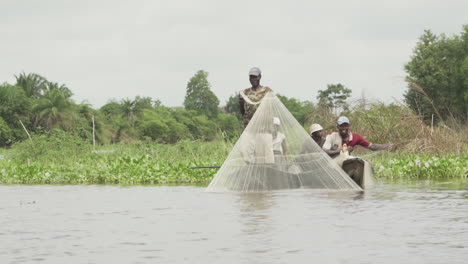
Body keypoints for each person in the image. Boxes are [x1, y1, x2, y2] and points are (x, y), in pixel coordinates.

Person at [322, 116, 394, 158]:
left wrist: (387, 146)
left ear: (349, 126)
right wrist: (342, 151)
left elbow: (372, 147)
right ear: (338, 127)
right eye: (341, 126)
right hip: (332, 160)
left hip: (345, 159)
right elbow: (325, 151)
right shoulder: (332, 135)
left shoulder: (356, 137)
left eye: (346, 125)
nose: (344, 128)